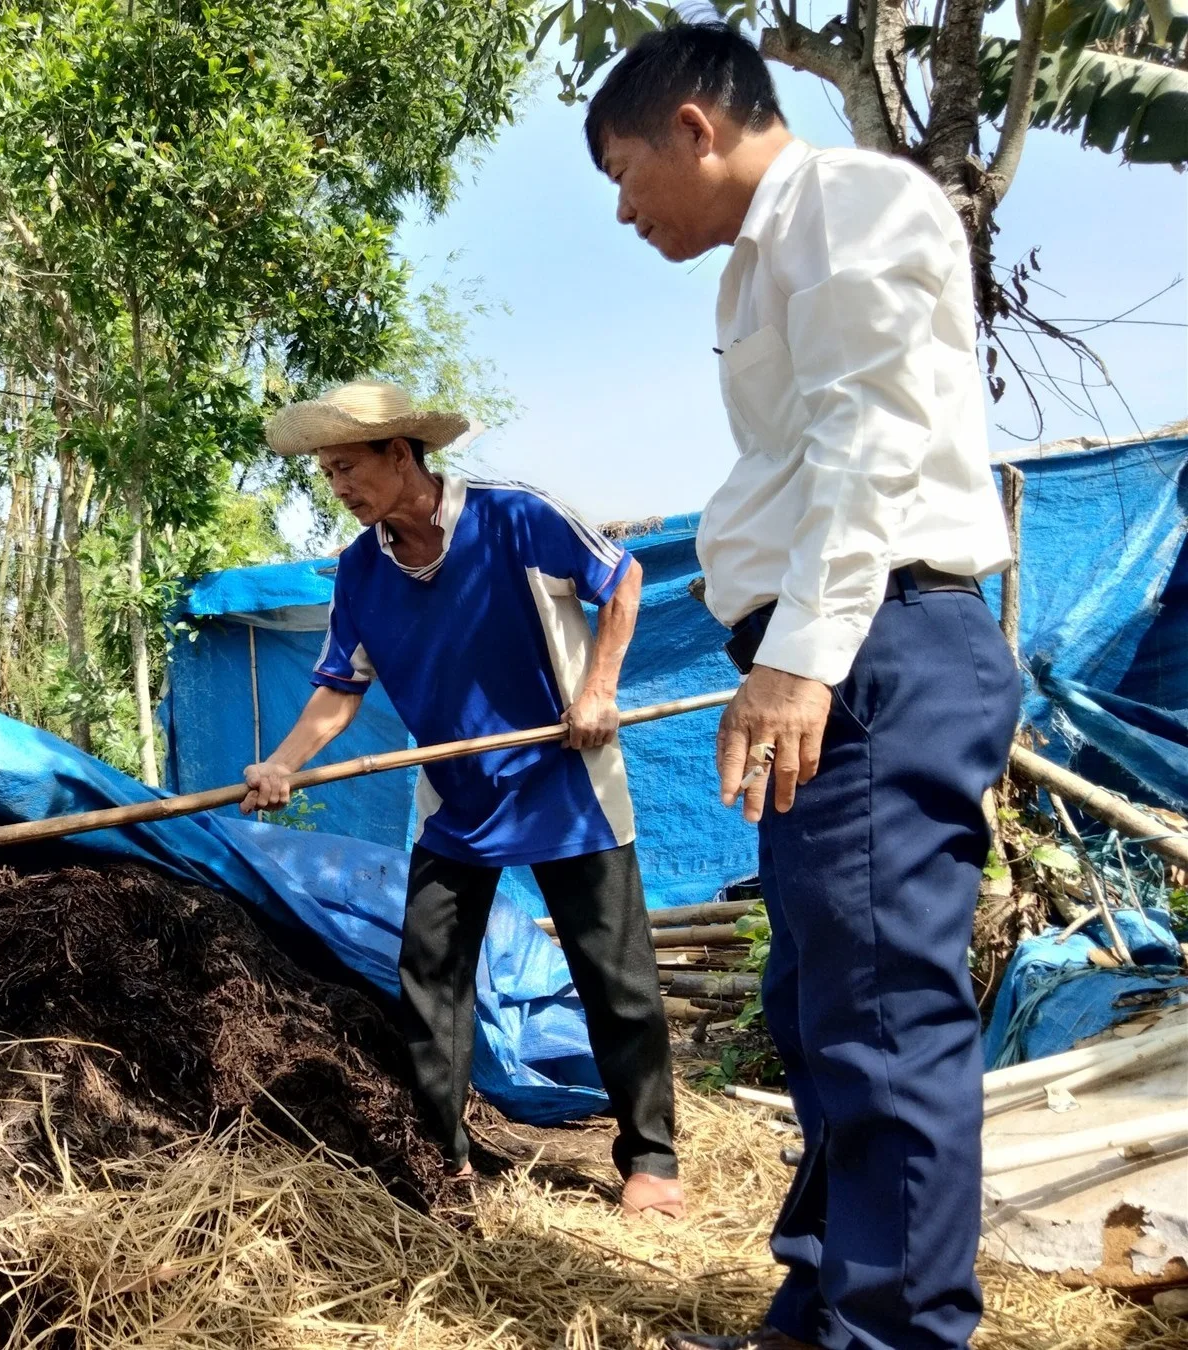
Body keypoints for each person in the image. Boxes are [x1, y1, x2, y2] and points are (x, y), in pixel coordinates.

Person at [585, 24, 1022, 1350]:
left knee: (883, 1019)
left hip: (874, 647)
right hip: (848, 649)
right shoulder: (769, 259)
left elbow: (870, 440)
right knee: (823, 1009)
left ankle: (894, 1331)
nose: (623, 211)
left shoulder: (844, 203)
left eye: (623, 173)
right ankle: (827, 1306)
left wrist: (797, 660)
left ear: (695, 130)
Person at [241, 378, 684, 1217]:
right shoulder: (359, 571)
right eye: (327, 473)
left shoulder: (517, 515)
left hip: (568, 782)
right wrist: (282, 763)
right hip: (455, 801)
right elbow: (340, 689)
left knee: (615, 979)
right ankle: (442, 1161)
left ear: (400, 454)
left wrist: (598, 690)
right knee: (431, 979)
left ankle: (652, 1159)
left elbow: (620, 579)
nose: (337, 488)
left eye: (346, 467)